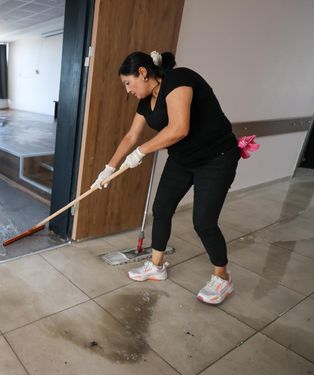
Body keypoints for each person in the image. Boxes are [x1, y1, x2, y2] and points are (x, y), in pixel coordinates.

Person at [92, 51, 240, 304]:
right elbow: (131, 136)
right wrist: (108, 169)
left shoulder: (180, 79)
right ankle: (156, 265)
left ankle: (222, 278)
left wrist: (141, 152)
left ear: (142, 73)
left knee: (203, 222)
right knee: (161, 209)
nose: (128, 90)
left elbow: (179, 128)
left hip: (217, 159)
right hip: (182, 160)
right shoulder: (145, 101)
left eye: (128, 83)